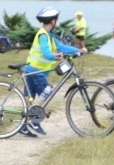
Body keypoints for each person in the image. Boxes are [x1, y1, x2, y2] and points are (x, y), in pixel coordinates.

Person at [20, 7, 86, 137]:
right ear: (52, 21)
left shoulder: (48, 35)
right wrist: (55, 57)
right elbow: (46, 53)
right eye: (56, 19)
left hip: (32, 69)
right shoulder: (43, 35)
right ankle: (34, 120)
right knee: (48, 92)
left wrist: (78, 50)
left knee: (29, 97)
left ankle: (24, 124)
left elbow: (61, 47)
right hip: (36, 71)